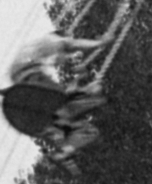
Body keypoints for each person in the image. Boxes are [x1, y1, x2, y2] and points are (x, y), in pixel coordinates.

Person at [5, 30, 106, 169]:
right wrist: (99, 43)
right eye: (65, 55)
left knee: (89, 131)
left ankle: (64, 149)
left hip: (24, 83)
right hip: (30, 74)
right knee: (72, 100)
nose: (65, 59)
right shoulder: (50, 40)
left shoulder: (42, 56)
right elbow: (72, 44)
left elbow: (64, 92)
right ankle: (61, 128)